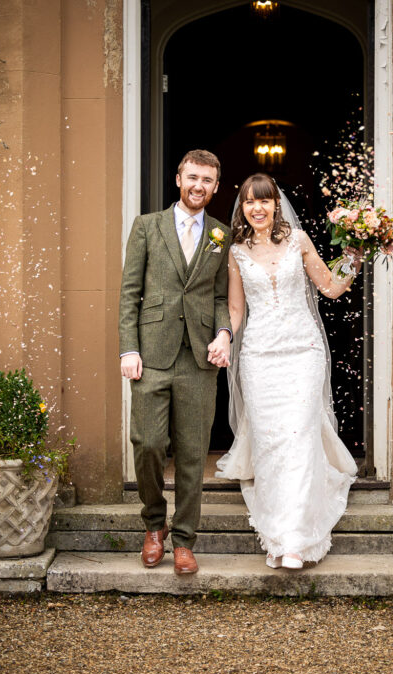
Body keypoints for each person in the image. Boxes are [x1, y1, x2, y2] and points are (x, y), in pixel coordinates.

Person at [213, 173, 359, 570]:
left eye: (264, 200)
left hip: (302, 351)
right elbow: (237, 309)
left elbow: (330, 287)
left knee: (296, 437)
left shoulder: (299, 240)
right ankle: (275, 537)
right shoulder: (237, 252)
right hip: (259, 355)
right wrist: (225, 337)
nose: (257, 208)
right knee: (270, 442)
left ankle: (295, 539)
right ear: (242, 208)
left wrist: (355, 256)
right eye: (249, 202)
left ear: (277, 204)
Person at [118, 150, 232, 575]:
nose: (199, 185)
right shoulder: (147, 226)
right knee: (147, 443)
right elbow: (130, 292)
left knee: (191, 453)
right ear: (178, 178)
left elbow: (221, 297)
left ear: (216, 187)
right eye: (192, 177)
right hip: (152, 353)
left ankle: (184, 539)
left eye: (207, 180)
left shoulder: (221, 235)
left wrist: (224, 334)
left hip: (200, 357)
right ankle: (153, 525)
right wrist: (128, 348)